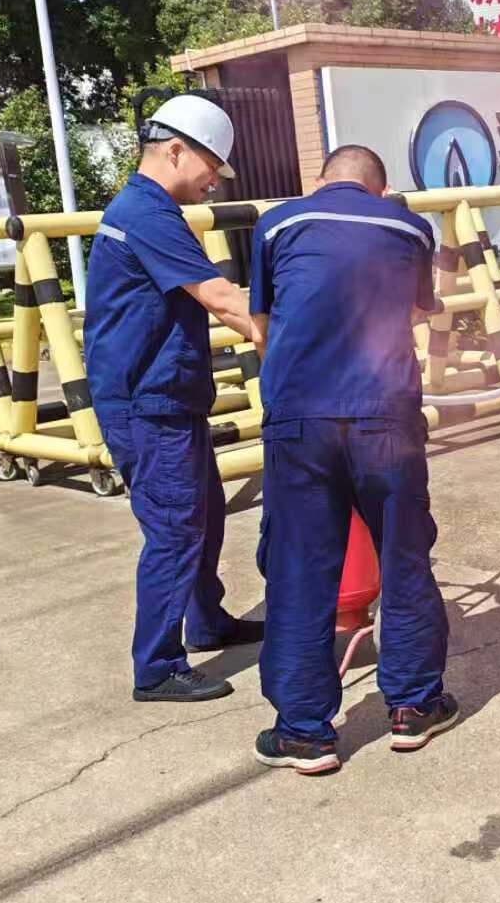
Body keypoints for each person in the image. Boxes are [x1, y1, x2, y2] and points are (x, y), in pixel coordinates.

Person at [249, 145, 454, 776]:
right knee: (404, 554)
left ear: (320, 182)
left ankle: (306, 733)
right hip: (386, 415)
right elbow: (420, 308)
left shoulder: (276, 224)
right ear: (380, 187)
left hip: (300, 418)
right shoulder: (408, 225)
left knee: (300, 569)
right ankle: (414, 708)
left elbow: (261, 322)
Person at [85, 95, 264, 703]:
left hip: (168, 397)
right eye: (212, 166)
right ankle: (157, 666)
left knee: (204, 516)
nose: (215, 181)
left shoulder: (150, 210)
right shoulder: (148, 214)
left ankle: (207, 620)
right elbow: (221, 297)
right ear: (175, 150)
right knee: (174, 528)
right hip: (145, 403)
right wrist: (307, 337)